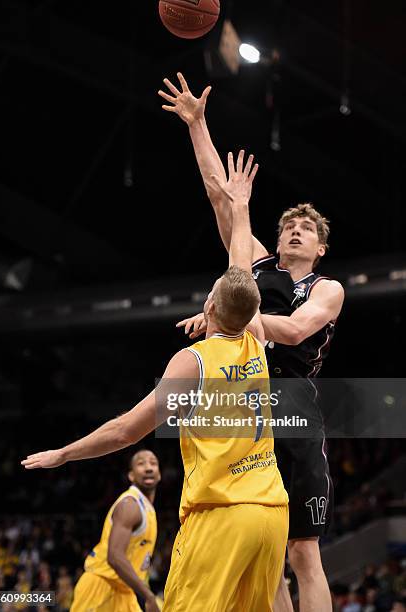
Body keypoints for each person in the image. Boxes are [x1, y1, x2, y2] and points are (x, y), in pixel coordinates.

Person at [22, 151, 289, 612]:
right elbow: (241, 259)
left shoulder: (194, 361)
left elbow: (127, 430)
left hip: (220, 516)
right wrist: (240, 204)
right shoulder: (256, 336)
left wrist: (64, 454)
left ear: (209, 309)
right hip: (270, 513)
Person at [158, 72, 345, 612]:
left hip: (293, 402)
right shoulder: (257, 264)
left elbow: (291, 330)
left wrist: (228, 313)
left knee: (303, 553)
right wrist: (198, 125)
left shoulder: (326, 288)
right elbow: (221, 194)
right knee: (267, 548)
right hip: (246, 396)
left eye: (306, 229)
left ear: (321, 248)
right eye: (288, 225)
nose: (294, 231)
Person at [70, 449, 161, 612]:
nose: (148, 468)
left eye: (153, 463)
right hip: (101, 586)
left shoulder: (149, 510)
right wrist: (148, 596)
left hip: (125, 593)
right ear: (131, 476)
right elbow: (115, 556)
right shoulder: (130, 505)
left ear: (159, 474)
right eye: (141, 464)